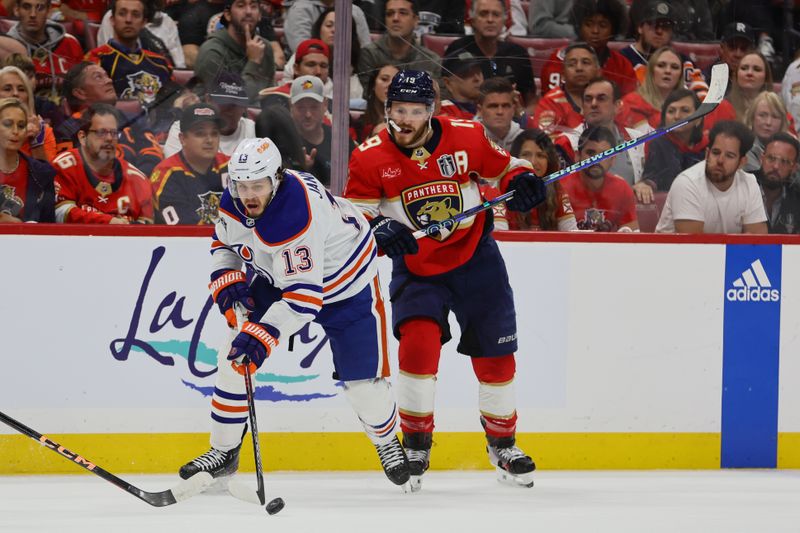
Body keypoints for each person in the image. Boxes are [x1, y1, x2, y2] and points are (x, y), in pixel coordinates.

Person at [345, 70, 544, 491]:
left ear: (431, 111)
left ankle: (502, 442)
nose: (406, 119)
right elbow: (354, 215)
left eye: (416, 111)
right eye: (399, 110)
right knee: (417, 346)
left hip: (476, 258)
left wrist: (522, 182)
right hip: (418, 268)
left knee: (495, 355)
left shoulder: (467, 136)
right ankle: (415, 442)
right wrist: (378, 225)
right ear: (387, 109)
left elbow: (508, 168)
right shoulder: (369, 156)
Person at [178, 136, 412, 490]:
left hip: (346, 285)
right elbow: (223, 242)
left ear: (277, 178)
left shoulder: (296, 214)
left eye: (258, 185)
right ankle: (224, 451)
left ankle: (386, 441)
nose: (249, 195)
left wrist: (262, 337)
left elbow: (303, 300)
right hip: (278, 274)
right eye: (242, 185)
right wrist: (225, 278)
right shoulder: (235, 200)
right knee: (233, 357)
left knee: (364, 385)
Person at [656, 120, 767, 234]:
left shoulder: (749, 183)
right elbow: (692, 246)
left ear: (742, 162)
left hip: (722, 251)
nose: (720, 160)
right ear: (707, 153)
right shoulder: (687, 183)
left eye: (729, 156)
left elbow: (757, 242)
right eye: (715, 152)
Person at [56, 62, 164, 176]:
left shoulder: (133, 119)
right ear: (80, 93)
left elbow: (152, 153)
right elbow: (70, 173)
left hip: (139, 186)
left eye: (107, 76)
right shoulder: (67, 131)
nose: (109, 81)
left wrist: (135, 182)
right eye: (98, 77)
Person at [53, 103, 153, 224]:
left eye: (114, 133)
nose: (110, 139)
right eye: (101, 133)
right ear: (82, 137)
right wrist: (109, 223)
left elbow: (147, 230)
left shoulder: (138, 180)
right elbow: (60, 214)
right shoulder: (63, 166)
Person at [84, 0, 175, 109]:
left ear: (143, 23)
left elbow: (176, 99)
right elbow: (91, 107)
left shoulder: (160, 62)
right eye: (122, 14)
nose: (128, 20)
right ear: (112, 20)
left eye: (135, 15)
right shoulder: (97, 59)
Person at [444, 0, 535, 104]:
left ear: (505, 19)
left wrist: (521, 116)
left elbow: (531, 102)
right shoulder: (457, 49)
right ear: (472, 18)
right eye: (483, 14)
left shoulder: (518, 53)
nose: (490, 20)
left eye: (496, 14)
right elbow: (447, 94)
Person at [151, 103, 228, 224]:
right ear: (182, 139)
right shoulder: (166, 174)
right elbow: (184, 230)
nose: (209, 140)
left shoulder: (231, 166)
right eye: (200, 134)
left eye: (214, 133)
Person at [539, 0, 637, 97]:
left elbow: (628, 106)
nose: (595, 31)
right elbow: (549, 102)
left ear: (614, 29)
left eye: (603, 25)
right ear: (579, 26)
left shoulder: (622, 66)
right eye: (588, 24)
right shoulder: (557, 60)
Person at [564, 77, 646, 186]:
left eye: (601, 98)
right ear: (583, 107)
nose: (593, 104)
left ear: (617, 106)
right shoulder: (567, 142)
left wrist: (645, 183)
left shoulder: (638, 139)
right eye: (588, 99)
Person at [619, 1, 707, 97]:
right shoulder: (622, 60)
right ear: (640, 27)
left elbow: (704, 98)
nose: (659, 31)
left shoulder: (683, 62)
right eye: (653, 25)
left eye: (665, 26)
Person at [561, 126, 639, 232]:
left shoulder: (622, 189)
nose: (596, 160)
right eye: (591, 153)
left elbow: (632, 238)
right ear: (577, 156)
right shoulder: (561, 188)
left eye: (604, 154)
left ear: (613, 159)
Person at [195, 0, 275, 102]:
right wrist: (253, 62)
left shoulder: (264, 47)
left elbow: (271, 94)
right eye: (241, 6)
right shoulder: (211, 51)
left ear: (259, 15)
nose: (248, 11)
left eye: (253, 6)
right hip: (217, 115)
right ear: (228, 15)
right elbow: (231, 101)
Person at [6, 0, 84, 101]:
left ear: (49, 10)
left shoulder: (70, 43)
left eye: (40, 8)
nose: (33, 14)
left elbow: (82, 90)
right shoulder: (5, 48)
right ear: (16, 9)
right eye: (26, 7)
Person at [164, 72, 255, 157]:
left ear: (244, 107)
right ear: (208, 100)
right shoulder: (183, 128)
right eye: (223, 103)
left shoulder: (253, 131)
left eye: (235, 105)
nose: (229, 111)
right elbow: (174, 170)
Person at [356, 0, 441, 91]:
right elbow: (366, 96)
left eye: (403, 13)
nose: (395, 18)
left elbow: (438, 99)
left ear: (416, 21)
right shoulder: (369, 55)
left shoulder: (431, 61)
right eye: (390, 14)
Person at [638, 88, 706, 200]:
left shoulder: (709, 146)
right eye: (671, 111)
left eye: (685, 110)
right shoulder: (658, 143)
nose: (677, 116)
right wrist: (645, 184)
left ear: (698, 119)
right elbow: (653, 177)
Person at [281, 8, 363, 101]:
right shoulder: (303, 54)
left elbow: (354, 101)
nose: (334, 30)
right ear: (319, 29)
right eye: (329, 25)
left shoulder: (355, 64)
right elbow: (287, 88)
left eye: (341, 27)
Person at [506, 128, 578, 231]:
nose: (533, 162)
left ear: (549, 161)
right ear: (514, 159)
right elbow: (499, 238)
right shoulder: (500, 192)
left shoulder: (558, 192)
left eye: (540, 155)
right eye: (526, 154)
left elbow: (573, 237)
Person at [290, 75, 355, 187]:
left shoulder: (340, 140)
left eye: (314, 107)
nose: (308, 115)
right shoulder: (285, 142)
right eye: (301, 108)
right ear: (291, 106)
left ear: (325, 105)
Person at [0, 97, 55, 223]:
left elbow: (49, 227)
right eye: (8, 124)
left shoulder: (42, 173)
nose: (15, 131)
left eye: (21, 126)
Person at [531, 42, 599, 137]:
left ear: (598, 71)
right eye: (572, 64)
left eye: (585, 62)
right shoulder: (550, 103)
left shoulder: (607, 98)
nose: (579, 68)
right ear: (563, 74)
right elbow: (546, 145)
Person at [619, 46, 682, 131]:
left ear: (680, 75)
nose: (668, 71)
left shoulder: (689, 105)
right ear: (651, 71)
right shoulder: (632, 103)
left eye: (674, 67)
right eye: (661, 65)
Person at [0, 65, 55, 161]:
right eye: (7, 89)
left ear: (28, 96)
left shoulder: (43, 132)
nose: (15, 94)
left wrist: (36, 143)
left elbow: (46, 174)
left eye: (21, 89)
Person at [259, 38, 331, 110]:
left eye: (323, 66)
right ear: (296, 69)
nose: (318, 71)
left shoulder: (336, 102)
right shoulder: (277, 99)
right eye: (311, 65)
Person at [283, 0, 371, 53]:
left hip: (350, 68)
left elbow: (365, 49)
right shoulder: (300, 9)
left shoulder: (355, 11)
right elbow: (302, 50)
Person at [755, 132, 800, 234]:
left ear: (794, 168)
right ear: (761, 159)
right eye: (771, 158)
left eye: (784, 161)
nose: (776, 166)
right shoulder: (743, 187)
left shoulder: (797, 197)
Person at [743, 91, 791, 173]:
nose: (768, 122)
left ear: (782, 122)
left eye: (775, 117)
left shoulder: (792, 147)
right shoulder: (744, 148)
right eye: (762, 115)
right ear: (752, 117)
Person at [354, 64, 399, 142]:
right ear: (373, 85)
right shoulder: (356, 123)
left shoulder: (411, 123)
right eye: (384, 79)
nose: (390, 85)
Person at [476, 76, 522, 152]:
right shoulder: (468, 138)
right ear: (480, 110)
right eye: (493, 106)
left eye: (505, 106)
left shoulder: (523, 140)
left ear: (513, 109)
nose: (500, 112)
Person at [705, 22, 754, 88]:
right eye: (732, 47)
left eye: (744, 49)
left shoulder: (758, 79)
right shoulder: (707, 78)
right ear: (722, 48)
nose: (738, 54)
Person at [728, 51, 774, 120]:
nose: (749, 73)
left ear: (766, 77)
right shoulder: (723, 107)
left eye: (757, 69)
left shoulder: (777, 108)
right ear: (736, 75)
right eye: (744, 68)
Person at [439, 52, 483, 120]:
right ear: (448, 82)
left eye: (478, 72)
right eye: (467, 73)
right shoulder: (442, 111)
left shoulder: (491, 106)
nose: (477, 79)